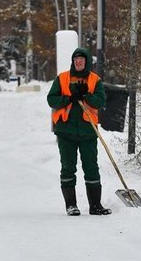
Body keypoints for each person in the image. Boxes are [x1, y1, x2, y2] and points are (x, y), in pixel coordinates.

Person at [46, 47, 111, 216]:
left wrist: (86, 96)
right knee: (68, 168)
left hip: (88, 131)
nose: (78, 61)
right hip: (66, 131)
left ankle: (95, 205)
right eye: (75, 59)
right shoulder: (62, 78)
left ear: (87, 61)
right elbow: (51, 99)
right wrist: (69, 98)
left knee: (91, 168)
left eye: (81, 59)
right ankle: (71, 205)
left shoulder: (94, 80)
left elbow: (100, 101)